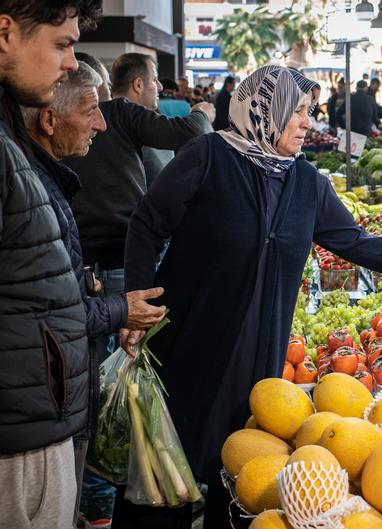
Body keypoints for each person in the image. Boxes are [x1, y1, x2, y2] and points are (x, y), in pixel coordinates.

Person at [120, 66, 382, 529]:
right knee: (163, 471)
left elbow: (357, 242)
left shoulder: (307, 183)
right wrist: (136, 301)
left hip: (259, 351)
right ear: (267, 110)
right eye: (298, 111)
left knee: (241, 464)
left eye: (309, 111)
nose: (307, 122)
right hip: (190, 340)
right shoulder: (208, 157)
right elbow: (147, 223)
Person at [20, 61, 168, 529]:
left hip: (48, 402)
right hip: (35, 413)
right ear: (49, 120)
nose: (102, 123)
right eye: (91, 110)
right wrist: (119, 308)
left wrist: (84, 287)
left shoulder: (49, 179)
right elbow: (44, 316)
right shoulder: (29, 187)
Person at [0, 2, 100, 527]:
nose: (69, 62)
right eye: (62, 44)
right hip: (19, 442)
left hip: (35, 425)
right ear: (5, 33)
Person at [62, 52, 212, 357]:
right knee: (135, 361)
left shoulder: (55, 134)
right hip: (118, 265)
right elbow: (189, 132)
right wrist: (201, 112)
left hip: (84, 269)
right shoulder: (120, 113)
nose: (98, 125)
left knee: (104, 366)